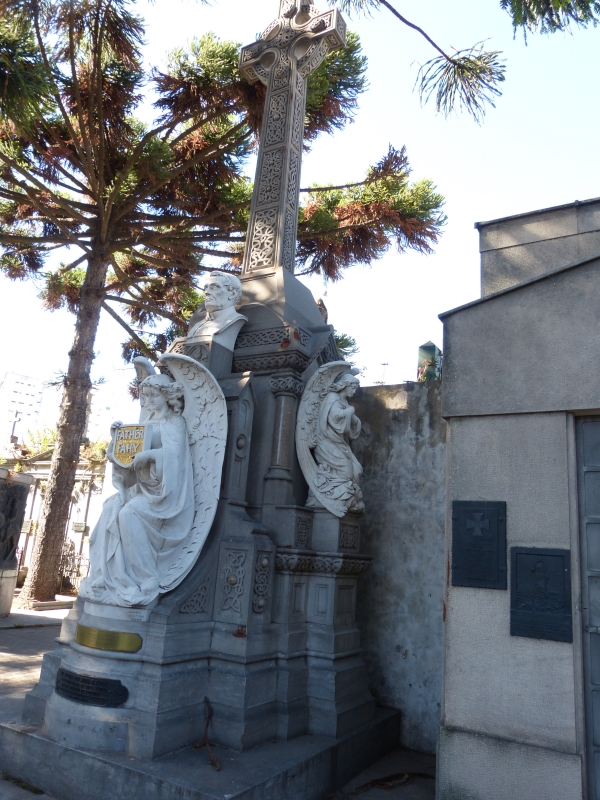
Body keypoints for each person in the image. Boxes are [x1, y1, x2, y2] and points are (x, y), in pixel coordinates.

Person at [79, 373, 194, 607]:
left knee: (128, 514)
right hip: (141, 488)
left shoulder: (175, 423)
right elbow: (126, 461)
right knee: (110, 508)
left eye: (154, 396)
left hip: (164, 495)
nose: (148, 401)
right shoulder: (146, 424)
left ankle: (147, 576)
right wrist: (116, 439)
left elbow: (176, 459)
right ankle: (107, 575)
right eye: (146, 396)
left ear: (167, 396)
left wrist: (150, 455)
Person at [309, 373, 364, 514]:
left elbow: (349, 422)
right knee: (346, 470)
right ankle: (329, 495)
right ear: (345, 385)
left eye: (355, 388)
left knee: (357, 469)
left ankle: (343, 497)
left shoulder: (344, 402)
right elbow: (335, 418)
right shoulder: (332, 397)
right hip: (325, 441)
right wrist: (350, 411)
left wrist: (353, 417)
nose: (354, 391)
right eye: (353, 387)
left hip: (338, 442)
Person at [187, 271, 246, 340]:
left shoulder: (235, 320)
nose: (206, 292)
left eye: (215, 287)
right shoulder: (196, 327)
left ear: (232, 294)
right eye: (206, 288)